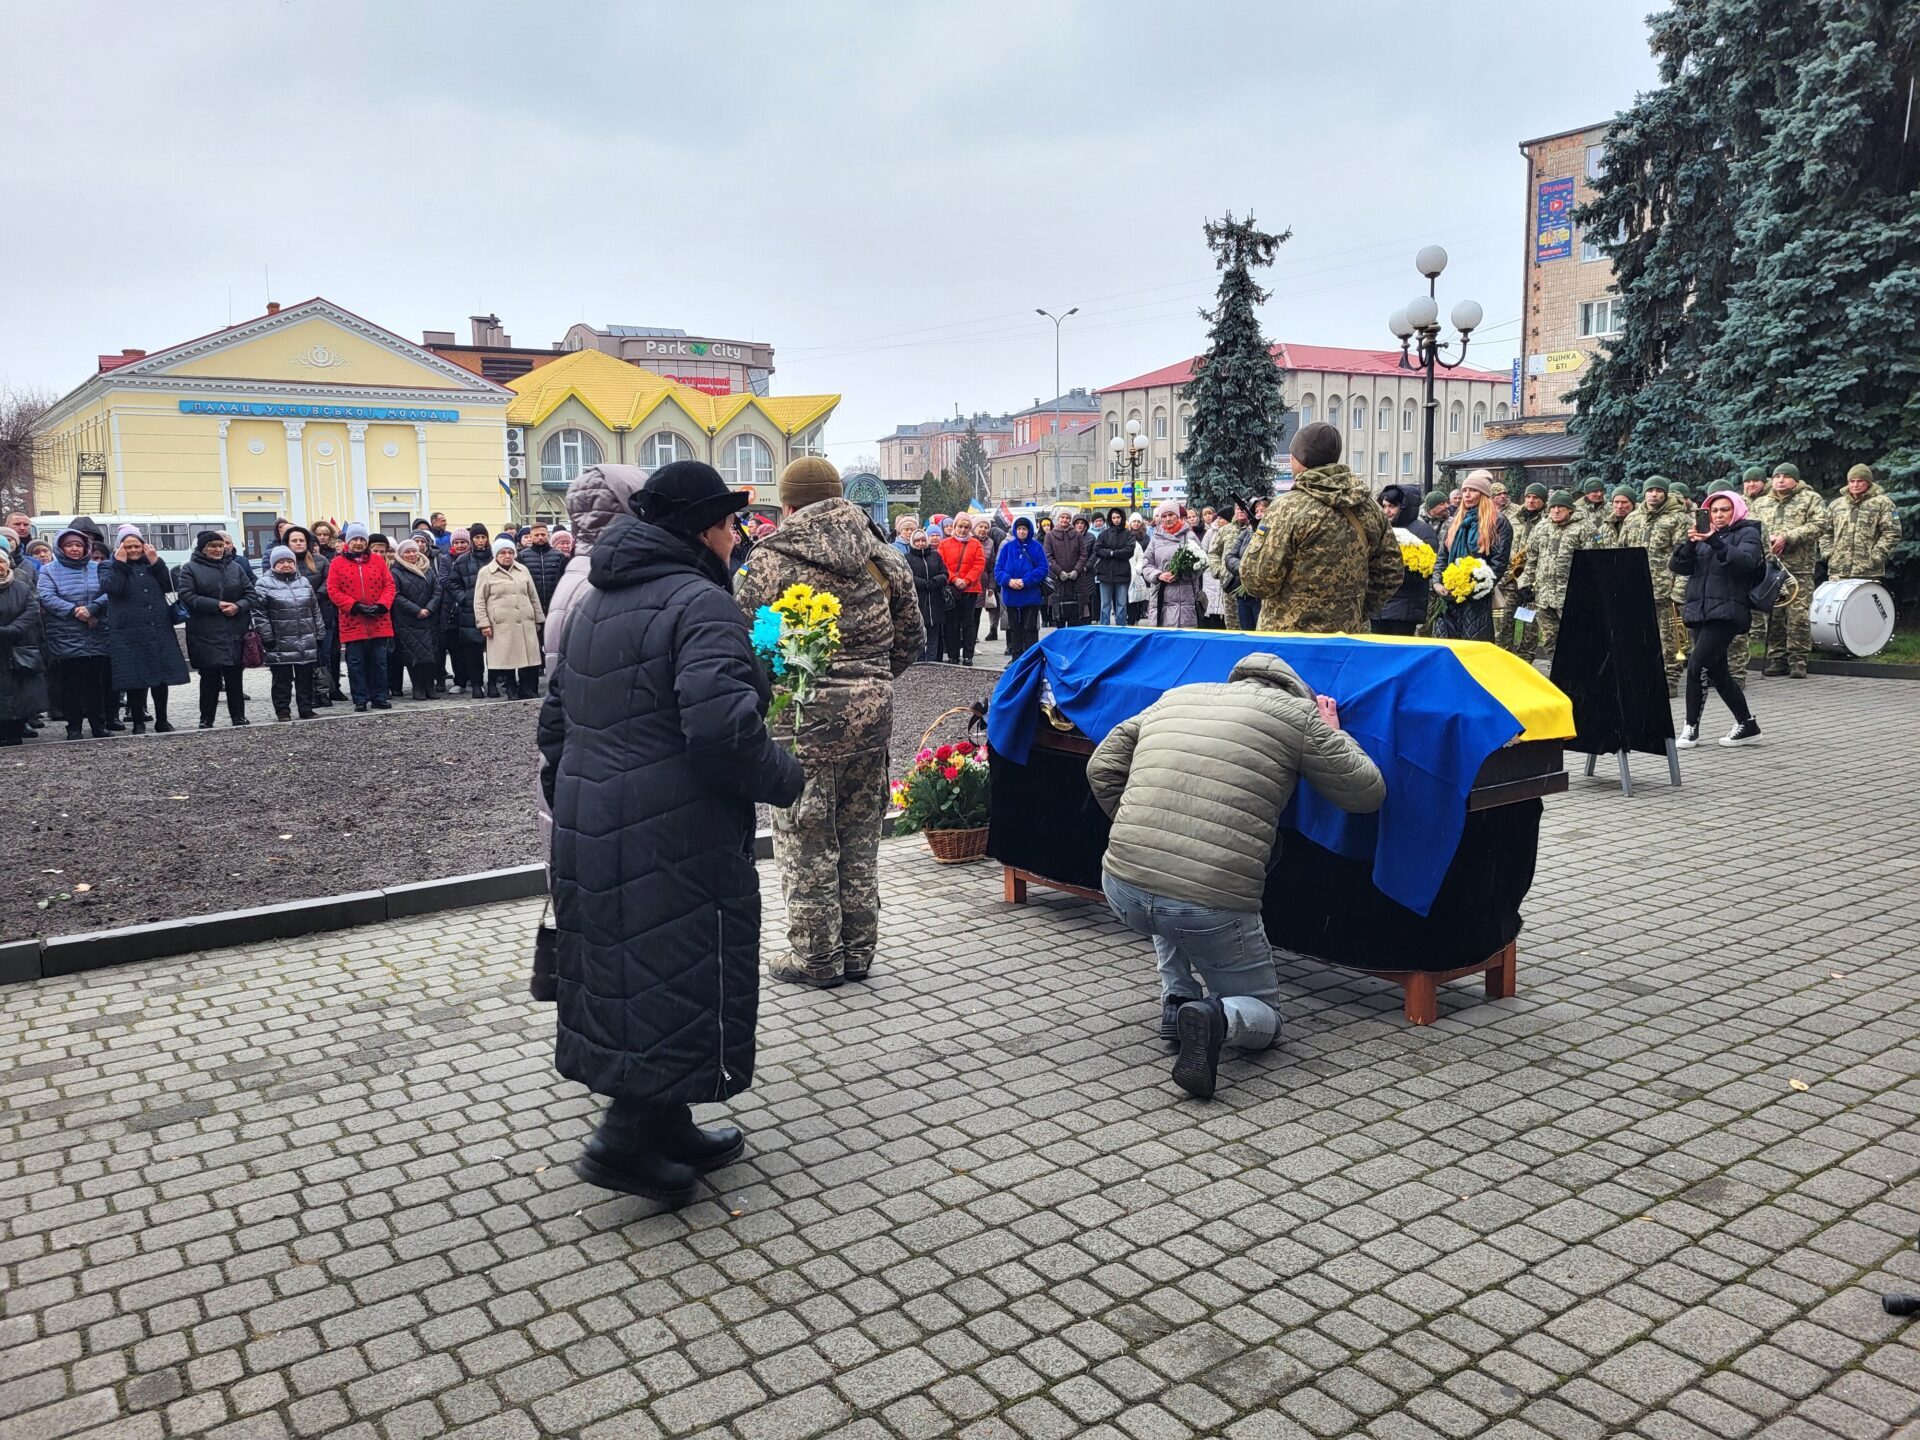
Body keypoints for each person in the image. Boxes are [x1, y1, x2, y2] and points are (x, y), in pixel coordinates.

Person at [539, 460, 805, 1203]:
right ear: (699, 530)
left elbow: (555, 720)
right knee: (680, 966)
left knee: (640, 974)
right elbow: (722, 733)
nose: (736, 536)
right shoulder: (700, 604)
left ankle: (668, 1121)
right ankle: (625, 1138)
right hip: (675, 828)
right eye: (728, 523)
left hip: (598, 820)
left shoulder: (595, 597)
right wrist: (785, 778)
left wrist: (573, 798)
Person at [1087, 653, 1385, 1099]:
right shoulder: (1299, 716)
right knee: (1266, 1017)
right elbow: (1367, 792)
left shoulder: (1177, 696)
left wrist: (1135, 828)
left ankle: (1178, 1001)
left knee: (1170, 880)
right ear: (1294, 689)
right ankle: (1217, 1019)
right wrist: (1335, 733)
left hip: (1122, 886)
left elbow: (1101, 766)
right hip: (1209, 906)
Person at [734, 456, 922, 989]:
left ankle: (817, 959)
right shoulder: (884, 557)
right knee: (860, 838)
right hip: (871, 723)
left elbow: (742, 646)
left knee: (804, 840)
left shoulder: (768, 562)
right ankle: (859, 953)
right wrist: (868, 686)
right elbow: (911, 641)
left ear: (789, 505)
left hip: (801, 726)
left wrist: (782, 692)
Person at [1240, 423, 1400, 633]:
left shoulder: (1288, 507)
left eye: (1292, 455)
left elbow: (1259, 580)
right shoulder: (1369, 507)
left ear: (1301, 460)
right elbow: (1391, 571)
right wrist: (1355, 608)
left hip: (1289, 638)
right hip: (1347, 636)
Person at [1671, 490, 1764, 748]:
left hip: (1728, 612)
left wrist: (1715, 541)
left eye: (1725, 509)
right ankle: (1747, 724)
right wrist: (1691, 542)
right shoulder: (1702, 535)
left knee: (1696, 664)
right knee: (1718, 671)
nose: (1719, 515)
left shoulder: (1748, 532)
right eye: (1714, 510)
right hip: (1700, 611)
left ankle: (1690, 728)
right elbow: (1678, 566)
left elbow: (1746, 563)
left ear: (1736, 510)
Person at [1749, 462, 1831, 678]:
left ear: (1796, 480)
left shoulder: (1810, 499)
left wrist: (1789, 536)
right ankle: (1778, 659)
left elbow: (1820, 524)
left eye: (1786, 476)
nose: (1780, 480)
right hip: (1770, 567)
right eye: (1776, 476)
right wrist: (1766, 542)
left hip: (1799, 568)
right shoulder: (1762, 503)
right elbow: (1751, 529)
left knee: (1798, 616)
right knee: (1773, 615)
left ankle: (1798, 660)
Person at [103, 526, 187, 734]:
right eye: (128, 546)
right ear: (120, 547)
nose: (133, 550)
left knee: (161, 678)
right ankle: (138, 721)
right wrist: (120, 564)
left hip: (158, 628)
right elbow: (113, 588)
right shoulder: (109, 566)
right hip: (130, 631)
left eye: (136, 545)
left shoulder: (152, 565)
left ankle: (162, 720)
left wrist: (156, 562)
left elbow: (170, 585)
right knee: (136, 679)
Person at [173, 530, 255, 729]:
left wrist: (238, 606)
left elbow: (250, 593)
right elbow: (186, 595)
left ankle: (238, 716)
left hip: (234, 629)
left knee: (235, 676)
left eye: (220, 546)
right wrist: (216, 605)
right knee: (210, 678)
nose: (218, 549)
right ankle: (206, 718)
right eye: (213, 546)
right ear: (203, 549)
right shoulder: (190, 569)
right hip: (205, 632)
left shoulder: (235, 568)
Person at [37, 528, 112, 740]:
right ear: (61, 547)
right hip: (66, 633)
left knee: (96, 683)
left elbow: (108, 591)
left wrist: (93, 608)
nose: (74, 549)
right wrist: (75, 611)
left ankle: (99, 724)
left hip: (95, 631)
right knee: (71, 684)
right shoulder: (49, 570)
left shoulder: (97, 567)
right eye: (69, 545)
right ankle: (74, 726)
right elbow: (46, 596)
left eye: (78, 545)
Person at [1622, 477, 1690, 696]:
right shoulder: (1633, 518)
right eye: (1650, 491)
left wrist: (1679, 589)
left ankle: (1670, 679)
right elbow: (1622, 550)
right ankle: (1643, 676)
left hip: (1665, 589)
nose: (1653, 495)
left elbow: (1685, 557)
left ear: (1665, 494)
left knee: (1669, 639)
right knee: (1637, 636)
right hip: (1636, 588)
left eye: (1658, 491)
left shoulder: (1678, 519)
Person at [1429, 471, 1512, 642]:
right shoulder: (1455, 522)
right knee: (1447, 648)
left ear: (1484, 495)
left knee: (1472, 649)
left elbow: (1498, 563)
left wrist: (1471, 587)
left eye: (1473, 490)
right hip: (1448, 597)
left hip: (1476, 600)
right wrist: (1437, 582)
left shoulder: (1498, 522)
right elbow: (1442, 556)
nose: (1466, 494)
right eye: (1464, 490)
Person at [325, 521, 396, 712]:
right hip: (353, 620)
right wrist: (354, 606)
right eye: (355, 539)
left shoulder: (378, 561)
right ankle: (360, 698)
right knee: (356, 663)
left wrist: (382, 605)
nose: (358, 543)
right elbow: (333, 590)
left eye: (362, 539)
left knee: (379, 662)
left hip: (378, 620)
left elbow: (389, 585)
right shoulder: (337, 563)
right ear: (348, 541)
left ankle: (379, 696)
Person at [251, 545, 326, 720]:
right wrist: (266, 636)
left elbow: (315, 609)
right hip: (279, 639)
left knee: (305, 678)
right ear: (273, 564)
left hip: (305, 638)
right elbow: (259, 614)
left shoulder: (304, 582)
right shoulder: (263, 584)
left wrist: (320, 632)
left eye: (289, 561)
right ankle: (283, 710)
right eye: (281, 561)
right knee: (282, 680)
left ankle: (306, 708)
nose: (286, 565)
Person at [1518, 491, 1593, 663]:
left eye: (1561, 507)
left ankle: (1578, 675)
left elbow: (1593, 563)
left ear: (1570, 510)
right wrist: (1525, 584)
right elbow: (1531, 560)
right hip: (1544, 596)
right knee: (1550, 638)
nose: (1557, 511)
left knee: (1576, 638)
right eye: (1553, 507)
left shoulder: (1585, 528)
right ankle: (1557, 673)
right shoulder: (1541, 528)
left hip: (1571, 596)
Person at [472, 536, 546, 699]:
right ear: (496, 554)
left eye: (510, 552)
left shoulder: (522, 570)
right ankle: (511, 688)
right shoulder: (486, 572)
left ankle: (527, 689)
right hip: (502, 623)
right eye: (503, 553)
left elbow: (533, 595)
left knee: (529, 658)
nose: (507, 556)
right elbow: (479, 600)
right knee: (507, 658)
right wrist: (484, 623)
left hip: (525, 621)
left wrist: (538, 618)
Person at [1372, 485, 1438, 637]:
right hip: (1380, 605)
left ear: (1404, 506)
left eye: (1392, 506)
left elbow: (1426, 568)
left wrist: (1393, 574)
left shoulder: (1422, 531)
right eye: (1384, 506)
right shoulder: (1381, 528)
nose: (1387, 511)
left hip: (1405, 604)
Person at [0, 548, 47, 746]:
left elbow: (31, 610)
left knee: (19, 691)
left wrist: (10, 629)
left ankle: (16, 730)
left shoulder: (21, 587)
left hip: (17, 646)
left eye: (1, 562)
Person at [283, 526, 334, 706]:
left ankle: (322, 693)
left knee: (322, 656)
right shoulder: (284, 563)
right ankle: (306, 697)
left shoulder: (320, 561)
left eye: (301, 540)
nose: (298, 543)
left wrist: (316, 596)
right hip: (294, 619)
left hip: (321, 616)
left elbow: (330, 582)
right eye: (294, 541)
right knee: (302, 660)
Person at [389, 539, 445, 701]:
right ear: (401, 554)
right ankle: (418, 687)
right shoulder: (396, 572)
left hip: (429, 619)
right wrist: (416, 610)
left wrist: (429, 609)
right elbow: (396, 595)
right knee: (413, 657)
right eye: (407, 552)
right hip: (408, 621)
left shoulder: (427, 569)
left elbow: (437, 590)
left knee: (431, 655)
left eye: (414, 551)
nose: (412, 554)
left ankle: (430, 686)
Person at [1499, 483, 1549, 656]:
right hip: (1511, 578)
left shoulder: (1547, 522)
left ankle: (1525, 659)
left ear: (1543, 501)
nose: (1531, 501)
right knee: (1505, 622)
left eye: (1536, 498)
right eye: (1528, 497)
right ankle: (1502, 657)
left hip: (1534, 582)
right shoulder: (1513, 519)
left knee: (1530, 627)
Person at [1827, 464, 1899, 583]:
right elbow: (1826, 532)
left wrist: (1877, 555)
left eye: (1860, 481)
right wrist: (1828, 552)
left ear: (1868, 482)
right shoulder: (1836, 504)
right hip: (1838, 569)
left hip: (1868, 570)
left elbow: (1892, 532)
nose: (1855, 485)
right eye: (1852, 481)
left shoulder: (1882, 503)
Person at [1140, 502, 1206, 628]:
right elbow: (1146, 563)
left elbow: (1201, 563)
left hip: (1185, 596)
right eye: (1164, 516)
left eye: (1171, 514)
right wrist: (1158, 575)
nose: (1168, 519)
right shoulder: (1156, 538)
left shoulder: (1189, 536)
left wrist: (1181, 573)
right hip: (1161, 595)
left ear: (1177, 516)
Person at [995, 515, 1049, 659]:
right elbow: (998, 570)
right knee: (1014, 629)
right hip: (1012, 595)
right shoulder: (1007, 548)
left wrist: (1026, 581)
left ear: (1029, 530)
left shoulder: (1037, 547)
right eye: (1019, 529)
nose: (1021, 532)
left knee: (1030, 629)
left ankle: (1031, 659)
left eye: (1024, 529)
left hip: (1030, 595)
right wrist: (1009, 581)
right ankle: (1016, 658)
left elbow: (1043, 568)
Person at [448, 523, 492, 698]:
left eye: (483, 537)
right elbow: (452, 582)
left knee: (494, 650)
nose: (480, 541)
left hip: (493, 610)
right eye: (477, 537)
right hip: (469, 612)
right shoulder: (463, 560)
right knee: (473, 651)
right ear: (472, 540)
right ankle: (476, 684)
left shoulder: (494, 558)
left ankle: (494, 682)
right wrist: (464, 598)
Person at [936, 513, 985, 665]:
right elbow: (941, 564)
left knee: (968, 623)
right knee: (951, 623)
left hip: (970, 589)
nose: (963, 530)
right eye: (960, 527)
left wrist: (967, 580)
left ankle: (968, 654)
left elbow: (979, 564)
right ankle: (953, 654)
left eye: (966, 527)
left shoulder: (975, 544)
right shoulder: (944, 544)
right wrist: (955, 579)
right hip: (952, 589)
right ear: (955, 527)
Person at [905, 528, 950, 661]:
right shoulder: (907, 558)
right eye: (917, 541)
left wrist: (936, 581)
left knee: (934, 633)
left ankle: (932, 660)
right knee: (918, 634)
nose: (920, 543)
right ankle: (920, 659)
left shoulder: (935, 555)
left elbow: (945, 573)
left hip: (935, 600)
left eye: (923, 540)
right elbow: (907, 576)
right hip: (918, 601)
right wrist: (922, 583)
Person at [1042, 508, 1088, 628]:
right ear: (1058, 519)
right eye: (1062, 517)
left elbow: (1083, 554)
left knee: (1075, 616)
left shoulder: (1077, 535)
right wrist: (1059, 571)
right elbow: (1048, 556)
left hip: (1075, 581)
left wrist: (1076, 571)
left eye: (1067, 518)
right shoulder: (1050, 536)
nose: (1065, 520)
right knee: (1059, 617)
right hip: (1058, 580)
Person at [1092, 506, 1137, 626]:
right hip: (1105, 573)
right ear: (1110, 519)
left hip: (1122, 574)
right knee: (1105, 605)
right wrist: (1113, 553)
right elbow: (1097, 549)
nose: (1116, 520)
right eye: (1113, 517)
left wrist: (1112, 553)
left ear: (1122, 518)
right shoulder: (1104, 534)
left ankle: (1121, 628)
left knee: (1121, 605)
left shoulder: (1128, 534)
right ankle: (1105, 629)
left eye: (1118, 517)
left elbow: (1129, 551)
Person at [519, 520, 569, 619]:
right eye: (536, 535)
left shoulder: (559, 556)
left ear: (548, 535)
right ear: (531, 536)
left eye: (543, 534)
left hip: (555, 605)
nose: (540, 537)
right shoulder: (522, 556)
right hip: (532, 607)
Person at [1125, 512, 1151, 623]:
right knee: (1128, 598)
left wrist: (1140, 568)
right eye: (1134, 521)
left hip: (1140, 571)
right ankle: (1130, 618)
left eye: (1138, 521)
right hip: (1127, 570)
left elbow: (1147, 554)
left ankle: (1137, 617)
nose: (1136, 524)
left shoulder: (1145, 537)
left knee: (1139, 597)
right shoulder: (1125, 535)